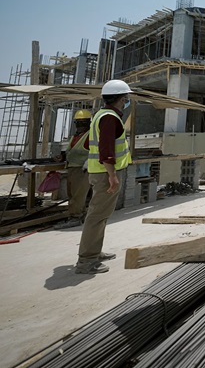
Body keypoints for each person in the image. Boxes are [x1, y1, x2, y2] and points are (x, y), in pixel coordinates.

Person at [74, 80, 132, 275]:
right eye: (126, 98)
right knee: (97, 216)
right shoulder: (110, 118)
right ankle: (86, 261)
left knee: (100, 215)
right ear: (121, 98)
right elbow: (106, 151)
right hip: (105, 174)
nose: (126, 101)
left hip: (99, 172)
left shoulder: (100, 115)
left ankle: (94, 252)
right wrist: (112, 175)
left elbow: (89, 145)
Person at [56, 109, 92, 229]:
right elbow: (71, 151)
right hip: (72, 168)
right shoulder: (75, 136)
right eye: (78, 123)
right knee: (72, 194)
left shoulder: (90, 135)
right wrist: (63, 156)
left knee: (78, 195)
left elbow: (96, 151)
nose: (80, 126)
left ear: (88, 123)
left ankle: (75, 217)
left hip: (82, 169)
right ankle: (80, 215)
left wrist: (89, 162)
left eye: (83, 123)